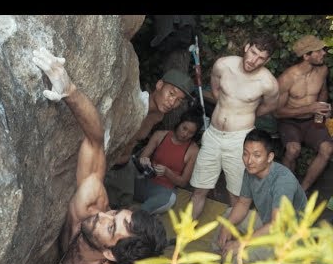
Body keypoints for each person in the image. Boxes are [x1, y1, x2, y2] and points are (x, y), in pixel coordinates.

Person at [32, 48, 167, 264]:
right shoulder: (92, 206)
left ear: (110, 254)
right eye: (115, 213)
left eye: (111, 226)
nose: (103, 214)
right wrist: (69, 90)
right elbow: (94, 140)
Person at [189, 32, 279, 219]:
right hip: (213, 135)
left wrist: (246, 112)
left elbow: (271, 106)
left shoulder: (268, 83)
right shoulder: (223, 64)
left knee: (237, 195)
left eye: (261, 58)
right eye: (253, 52)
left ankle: (232, 243)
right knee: (199, 189)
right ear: (247, 47)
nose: (254, 60)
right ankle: (184, 236)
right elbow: (215, 90)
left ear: (267, 60)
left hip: (240, 140)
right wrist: (228, 107)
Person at [213, 129, 307, 264]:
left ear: (269, 157)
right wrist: (227, 226)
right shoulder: (251, 171)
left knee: (243, 255)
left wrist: (241, 243)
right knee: (228, 217)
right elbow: (243, 203)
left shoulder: (283, 181)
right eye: (245, 154)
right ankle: (216, 260)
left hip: (287, 238)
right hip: (267, 223)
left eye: (257, 155)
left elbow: (276, 225)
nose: (249, 161)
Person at [105, 68, 195, 209]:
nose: (172, 102)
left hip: (124, 168)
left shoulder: (158, 115)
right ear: (159, 85)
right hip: (107, 168)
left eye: (179, 100)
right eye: (171, 94)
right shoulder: (134, 105)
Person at [275, 35, 332, 193]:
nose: (323, 53)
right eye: (318, 51)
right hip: (290, 121)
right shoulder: (288, 78)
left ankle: (302, 189)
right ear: (306, 56)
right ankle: (288, 186)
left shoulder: (323, 70)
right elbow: (278, 113)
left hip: (312, 120)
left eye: (323, 49)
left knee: (327, 149)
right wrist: (309, 109)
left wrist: (321, 110)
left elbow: (323, 92)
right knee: (293, 150)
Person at [135, 106, 202, 214]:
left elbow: (183, 182)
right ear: (179, 123)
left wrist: (167, 172)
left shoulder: (193, 150)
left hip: (164, 190)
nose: (185, 134)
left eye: (191, 133)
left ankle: (140, 214)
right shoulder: (160, 135)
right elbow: (141, 158)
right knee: (126, 170)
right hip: (145, 180)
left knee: (170, 200)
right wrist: (144, 161)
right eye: (184, 128)